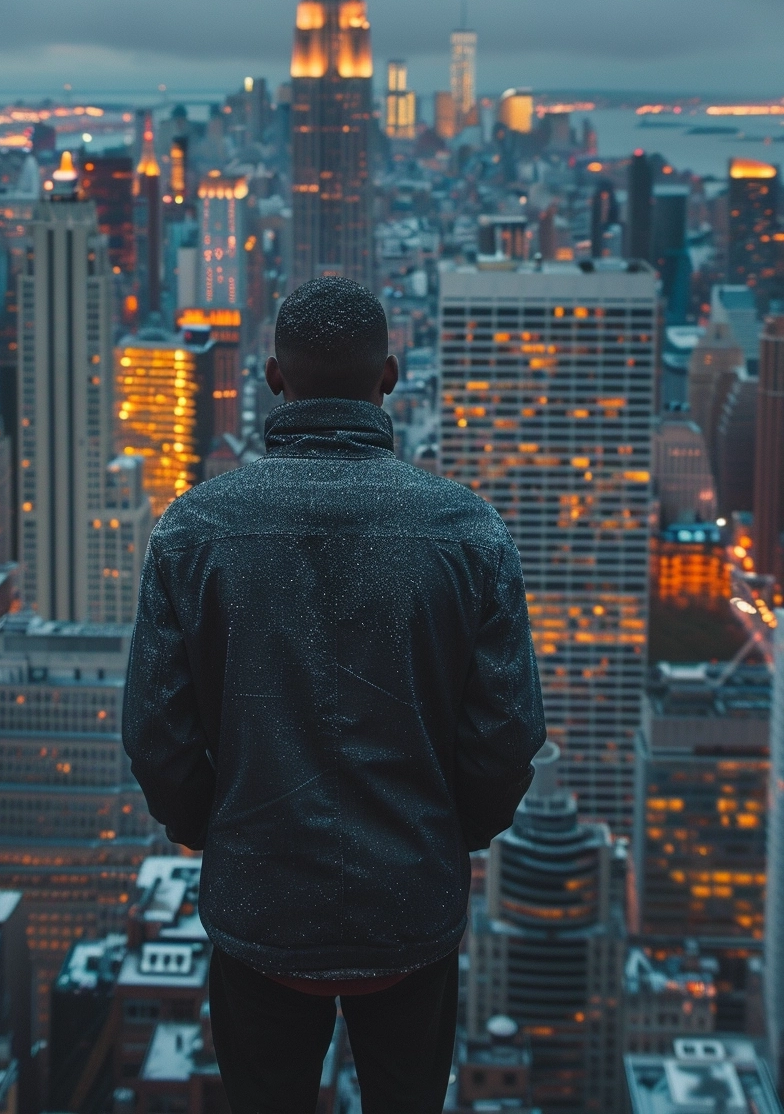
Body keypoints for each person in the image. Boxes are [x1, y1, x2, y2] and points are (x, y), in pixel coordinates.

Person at [123, 277, 546, 1114]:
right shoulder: (468, 533)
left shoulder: (191, 530)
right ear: (389, 376)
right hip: (411, 916)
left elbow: (155, 737)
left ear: (273, 378)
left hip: (260, 914)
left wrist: (220, 829)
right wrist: (440, 832)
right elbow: (505, 738)